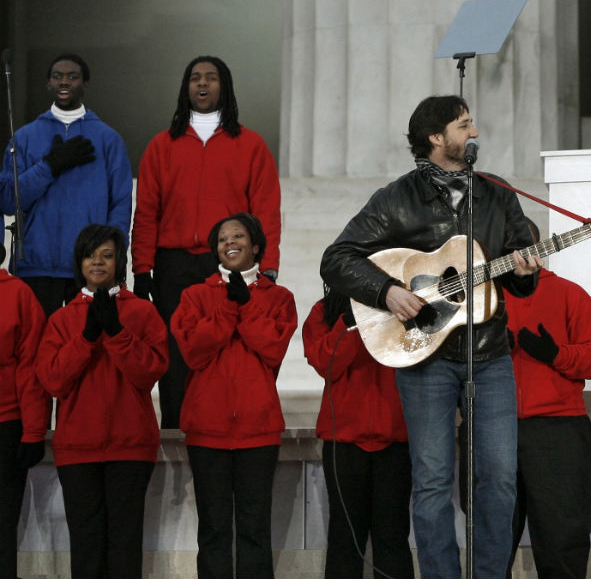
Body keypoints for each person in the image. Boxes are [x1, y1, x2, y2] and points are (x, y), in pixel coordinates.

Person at [320, 95, 540, 579]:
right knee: (434, 481)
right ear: (436, 138)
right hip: (425, 358)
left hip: (491, 352)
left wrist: (526, 268)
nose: (475, 133)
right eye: (464, 126)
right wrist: (387, 291)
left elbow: (521, 281)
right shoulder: (396, 199)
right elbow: (337, 260)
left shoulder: (499, 195)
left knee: (500, 480)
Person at [132, 55, 282, 429]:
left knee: (227, 349)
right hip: (174, 265)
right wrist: (142, 268)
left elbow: (266, 209)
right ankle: (175, 428)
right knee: (176, 352)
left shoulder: (250, 144)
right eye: (195, 78)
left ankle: (221, 429)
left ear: (224, 86)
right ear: (186, 87)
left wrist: (268, 263)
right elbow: (147, 211)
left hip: (228, 265)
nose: (203, 84)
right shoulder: (161, 146)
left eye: (211, 78)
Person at [35, 224, 168, 579]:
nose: (98, 262)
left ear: (118, 262)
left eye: (107, 255)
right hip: (79, 448)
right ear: (79, 263)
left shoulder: (142, 312)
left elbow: (149, 373)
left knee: (125, 548)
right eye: (91, 255)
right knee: (87, 548)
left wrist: (117, 333)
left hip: (130, 447)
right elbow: (52, 380)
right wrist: (87, 338)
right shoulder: (63, 319)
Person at [173, 212, 296, 578]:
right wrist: (231, 304)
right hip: (208, 431)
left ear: (255, 246)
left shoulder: (279, 298)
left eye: (238, 236)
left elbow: (272, 347)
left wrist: (246, 303)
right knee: (212, 530)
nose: (230, 243)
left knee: (255, 531)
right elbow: (194, 351)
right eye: (223, 238)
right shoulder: (194, 296)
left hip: (258, 430)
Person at [0, 53, 133, 314]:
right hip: (34, 263)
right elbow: (8, 200)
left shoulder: (108, 139)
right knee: (35, 347)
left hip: (89, 265)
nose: (64, 82)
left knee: (86, 347)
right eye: (57, 76)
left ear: (85, 84)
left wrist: (112, 255)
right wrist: (49, 166)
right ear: (49, 83)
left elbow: (120, 203)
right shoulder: (25, 137)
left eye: (72, 77)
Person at [505, 262, 591, 578]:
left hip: (558, 429)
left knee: (562, 539)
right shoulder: (480, 297)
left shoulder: (570, 294)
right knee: (490, 540)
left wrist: (556, 354)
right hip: (491, 426)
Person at [302, 289, 412, 579]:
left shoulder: (402, 301)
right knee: (345, 537)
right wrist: (349, 324)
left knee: (393, 536)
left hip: (395, 437)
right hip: (345, 441)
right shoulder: (324, 311)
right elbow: (326, 363)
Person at [0, 243, 47, 579]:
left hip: (6, 423)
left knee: (3, 526)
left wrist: (33, 430)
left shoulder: (18, 294)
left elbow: (30, 368)